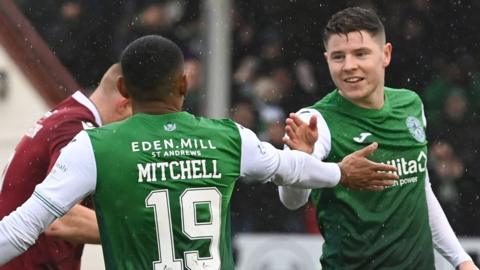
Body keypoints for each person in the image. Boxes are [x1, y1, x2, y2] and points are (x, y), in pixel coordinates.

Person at [0, 35, 398, 269]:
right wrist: (341, 173)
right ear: (183, 86)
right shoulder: (228, 137)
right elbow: (289, 167)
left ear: (124, 91)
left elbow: (21, 228)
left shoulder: (94, 147)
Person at [279, 7, 479, 270]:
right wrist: (301, 158)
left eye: (361, 53)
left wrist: (462, 260)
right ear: (327, 60)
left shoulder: (411, 105)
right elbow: (292, 202)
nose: (349, 66)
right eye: (338, 57)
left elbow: (420, 191)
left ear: (385, 54)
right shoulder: (314, 121)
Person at [0, 63, 131, 270]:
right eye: (140, 120)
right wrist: (141, 234)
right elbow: (60, 219)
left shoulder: (66, 116)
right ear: (124, 104)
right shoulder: (78, 131)